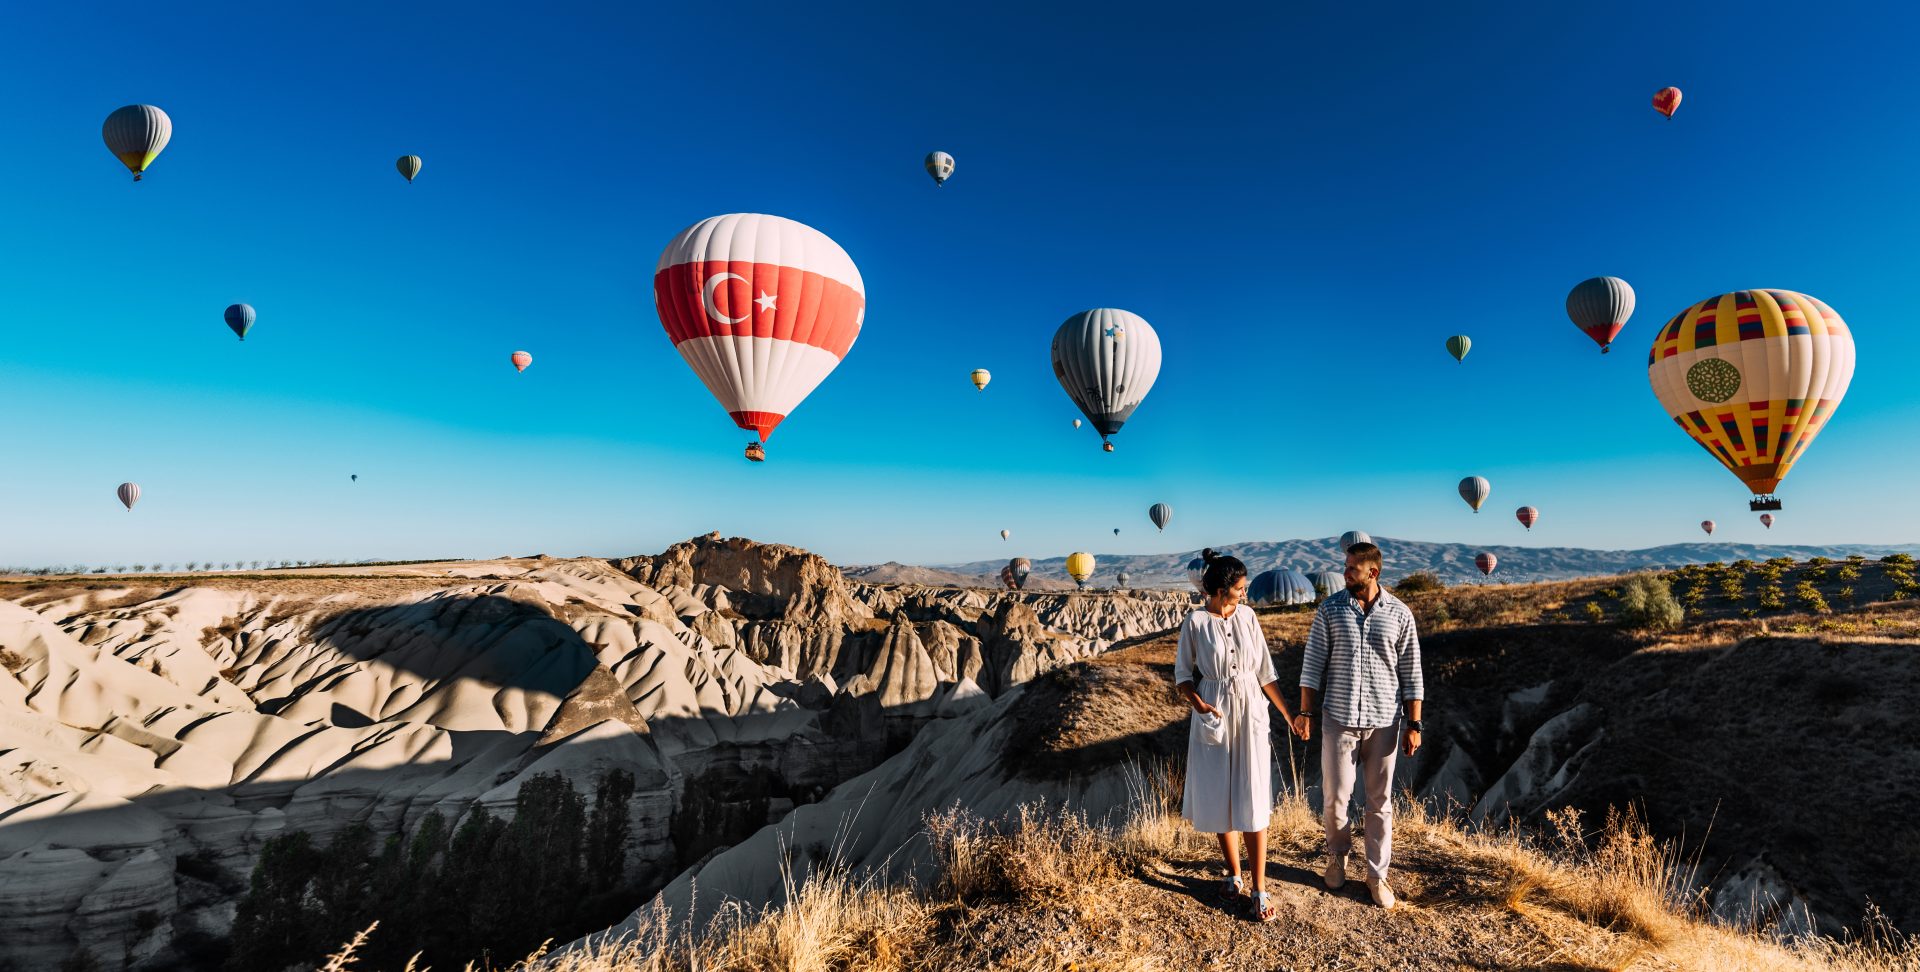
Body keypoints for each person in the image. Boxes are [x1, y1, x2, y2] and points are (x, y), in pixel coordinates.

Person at [1293, 541, 1424, 909]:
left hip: (1385, 722)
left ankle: (1376, 875)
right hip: (1339, 720)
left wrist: (1414, 724)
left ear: (1373, 573)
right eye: (1346, 565)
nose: (1345, 572)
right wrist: (1306, 713)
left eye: (1352, 568)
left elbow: (1412, 675)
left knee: (1380, 802)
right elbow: (1311, 666)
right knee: (1336, 798)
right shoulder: (1330, 611)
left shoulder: (1400, 614)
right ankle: (1337, 857)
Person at [1174, 548, 1300, 923]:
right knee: (1219, 794)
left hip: (1251, 709)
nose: (1245, 593)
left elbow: (1265, 672)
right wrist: (1199, 704)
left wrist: (1288, 714)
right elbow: (1183, 676)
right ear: (1220, 588)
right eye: (1240, 587)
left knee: (1253, 795)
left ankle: (1259, 888)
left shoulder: (1248, 617)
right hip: (1214, 709)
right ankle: (1233, 874)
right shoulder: (1194, 622)